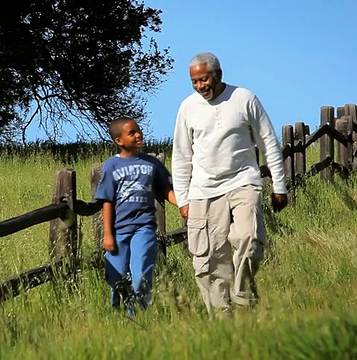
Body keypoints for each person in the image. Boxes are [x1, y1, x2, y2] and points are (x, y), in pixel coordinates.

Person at [171, 52, 288, 317]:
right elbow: (181, 156)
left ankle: (242, 295)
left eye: (204, 79)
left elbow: (268, 142)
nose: (201, 86)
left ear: (218, 75)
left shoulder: (244, 98)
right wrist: (184, 199)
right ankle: (222, 320)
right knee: (210, 259)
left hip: (243, 180)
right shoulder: (188, 107)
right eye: (194, 82)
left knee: (249, 238)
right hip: (203, 190)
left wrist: (279, 187)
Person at [95, 117, 178, 317]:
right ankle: (117, 313)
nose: (138, 134)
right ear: (119, 141)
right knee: (116, 277)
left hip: (145, 227)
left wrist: (185, 206)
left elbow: (167, 190)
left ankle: (137, 315)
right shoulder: (112, 165)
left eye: (138, 130)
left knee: (141, 274)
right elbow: (107, 201)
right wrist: (108, 234)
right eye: (132, 132)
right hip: (119, 230)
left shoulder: (152, 163)